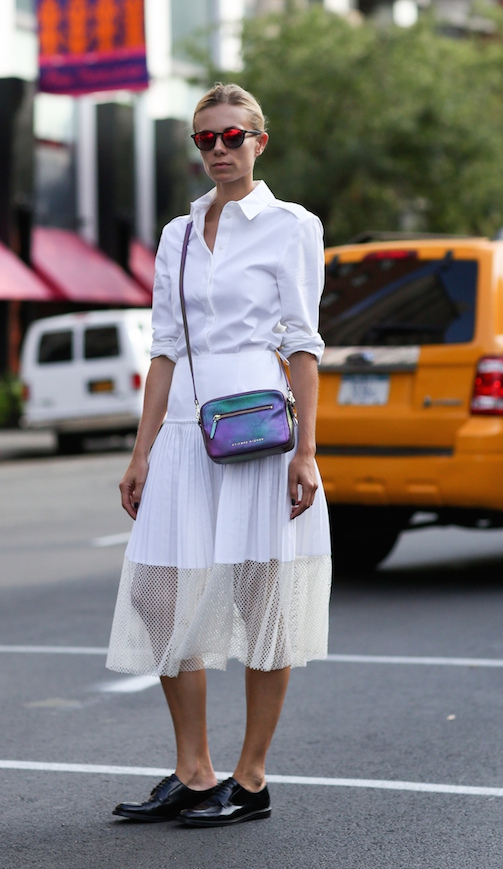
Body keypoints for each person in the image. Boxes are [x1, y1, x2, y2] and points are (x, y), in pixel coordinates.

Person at [106, 82, 332, 828]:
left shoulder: (292, 225)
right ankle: (195, 770)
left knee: (260, 596)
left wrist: (307, 452)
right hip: (182, 432)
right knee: (158, 594)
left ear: (258, 141)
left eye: (232, 136)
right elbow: (165, 349)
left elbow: (303, 343)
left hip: (261, 429)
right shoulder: (176, 233)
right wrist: (140, 452)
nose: (219, 151)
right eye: (205, 139)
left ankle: (253, 775)